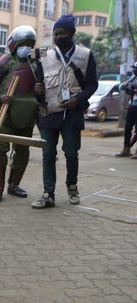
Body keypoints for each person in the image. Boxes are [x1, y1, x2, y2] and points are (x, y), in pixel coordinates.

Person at [31, 14, 98, 208]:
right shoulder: (44, 55)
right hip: (48, 112)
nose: (58, 37)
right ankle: (48, 193)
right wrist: (37, 91)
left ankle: (72, 186)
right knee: (47, 154)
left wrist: (79, 100)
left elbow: (93, 84)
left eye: (62, 33)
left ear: (72, 33)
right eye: (55, 34)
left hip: (72, 114)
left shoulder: (85, 55)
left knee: (71, 153)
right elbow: (37, 81)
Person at [0, 26, 40, 202]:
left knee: (22, 151)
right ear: (14, 44)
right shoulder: (4, 61)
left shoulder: (36, 63)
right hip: (4, 115)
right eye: (23, 44)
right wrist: (0, 97)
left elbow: (45, 84)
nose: (27, 47)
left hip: (27, 115)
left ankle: (14, 184)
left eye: (30, 44)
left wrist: (40, 89)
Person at [115, 62, 137, 158]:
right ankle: (126, 149)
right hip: (132, 106)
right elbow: (121, 87)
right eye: (134, 69)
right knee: (128, 127)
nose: (134, 70)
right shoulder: (133, 78)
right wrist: (127, 85)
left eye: (135, 69)